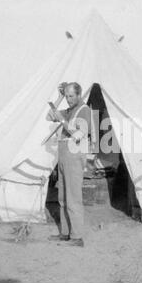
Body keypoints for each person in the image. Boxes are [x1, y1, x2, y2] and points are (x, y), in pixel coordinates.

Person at [45, 82, 91, 247]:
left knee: (73, 198)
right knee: (63, 197)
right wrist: (59, 98)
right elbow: (49, 116)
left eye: (71, 96)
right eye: (67, 96)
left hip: (74, 154)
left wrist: (63, 121)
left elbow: (78, 134)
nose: (69, 99)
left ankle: (77, 237)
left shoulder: (83, 110)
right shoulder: (69, 110)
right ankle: (65, 233)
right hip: (63, 154)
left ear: (79, 95)